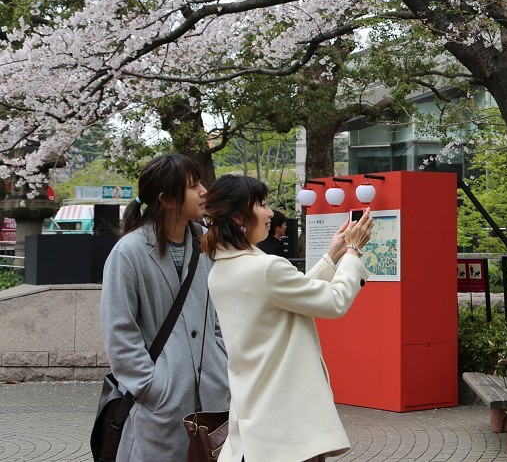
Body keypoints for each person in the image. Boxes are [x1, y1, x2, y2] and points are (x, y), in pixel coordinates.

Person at [203, 174, 373, 462]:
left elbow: (289, 296)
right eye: (261, 204)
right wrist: (354, 253)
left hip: (254, 420)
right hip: (288, 426)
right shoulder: (266, 268)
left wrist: (332, 255)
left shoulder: (220, 269)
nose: (270, 213)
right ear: (237, 217)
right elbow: (334, 302)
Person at [100, 154, 230, 461]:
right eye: (193, 185)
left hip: (211, 397)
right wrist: (152, 387)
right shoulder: (128, 253)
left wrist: (220, 359)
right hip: (159, 404)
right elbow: (120, 330)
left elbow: (218, 314)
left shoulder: (205, 244)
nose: (203, 191)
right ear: (167, 199)